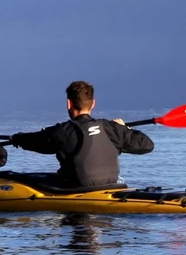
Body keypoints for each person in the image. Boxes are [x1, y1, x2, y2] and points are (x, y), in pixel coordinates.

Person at [8, 80, 153, 189]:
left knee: (22, 178)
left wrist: (16, 138)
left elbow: (33, 141)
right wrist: (124, 128)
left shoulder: (62, 131)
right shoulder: (111, 128)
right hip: (110, 185)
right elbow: (147, 145)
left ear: (69, 104)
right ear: (93, 103)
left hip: (77, 189)